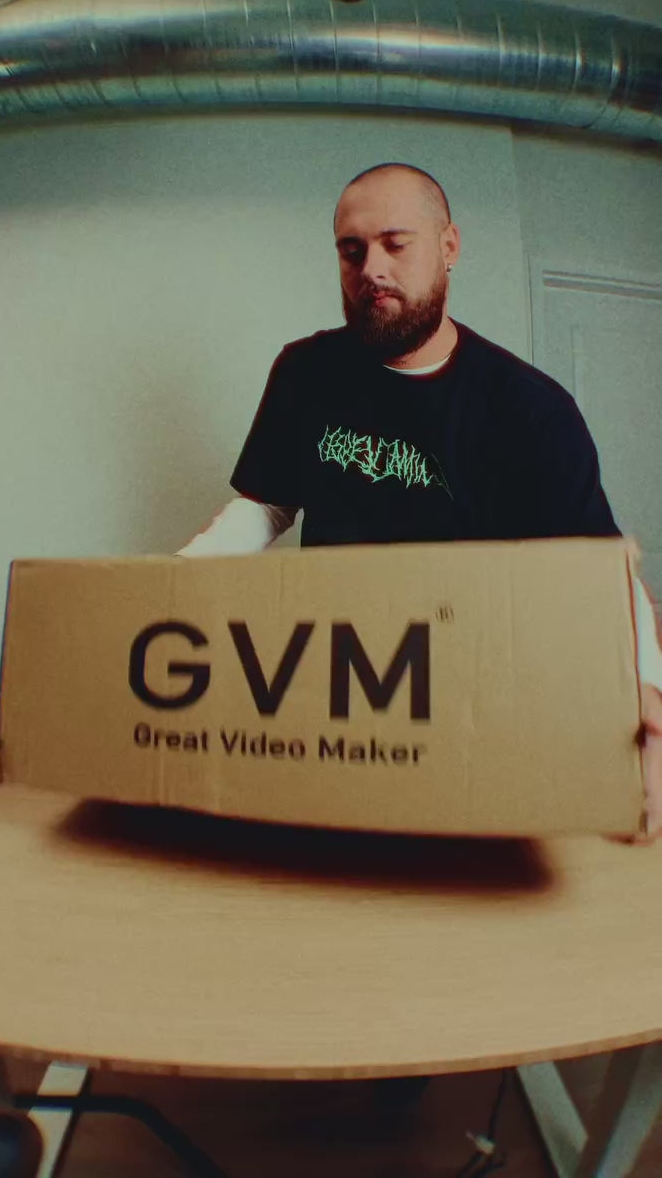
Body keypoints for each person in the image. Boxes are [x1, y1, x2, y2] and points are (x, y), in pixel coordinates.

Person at [177, 161, 662, 838]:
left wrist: (645, 695)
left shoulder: (531, 411)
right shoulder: (305, 372)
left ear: (448, 246)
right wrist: (169, 590)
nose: (371, 269)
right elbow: (266, 505)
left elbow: (602, 571)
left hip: (473, 710)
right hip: (333, 691)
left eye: (395, 244)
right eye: (352, 251)